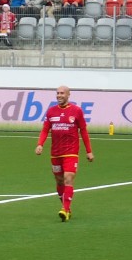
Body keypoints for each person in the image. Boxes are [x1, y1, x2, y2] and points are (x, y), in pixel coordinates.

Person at [34, 85, 93, 222]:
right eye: (58, 93)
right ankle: (67, 208)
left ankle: (65, 209)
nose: (59, 95)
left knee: (68, 178)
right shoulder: (51, 111)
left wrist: (89, 151)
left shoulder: (76, 111)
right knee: (59, 180)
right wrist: (40, 144)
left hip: (71, 153)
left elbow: (83, 131)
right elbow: (45, 129)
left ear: (68, 95)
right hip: (55, 153)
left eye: (62, 93)